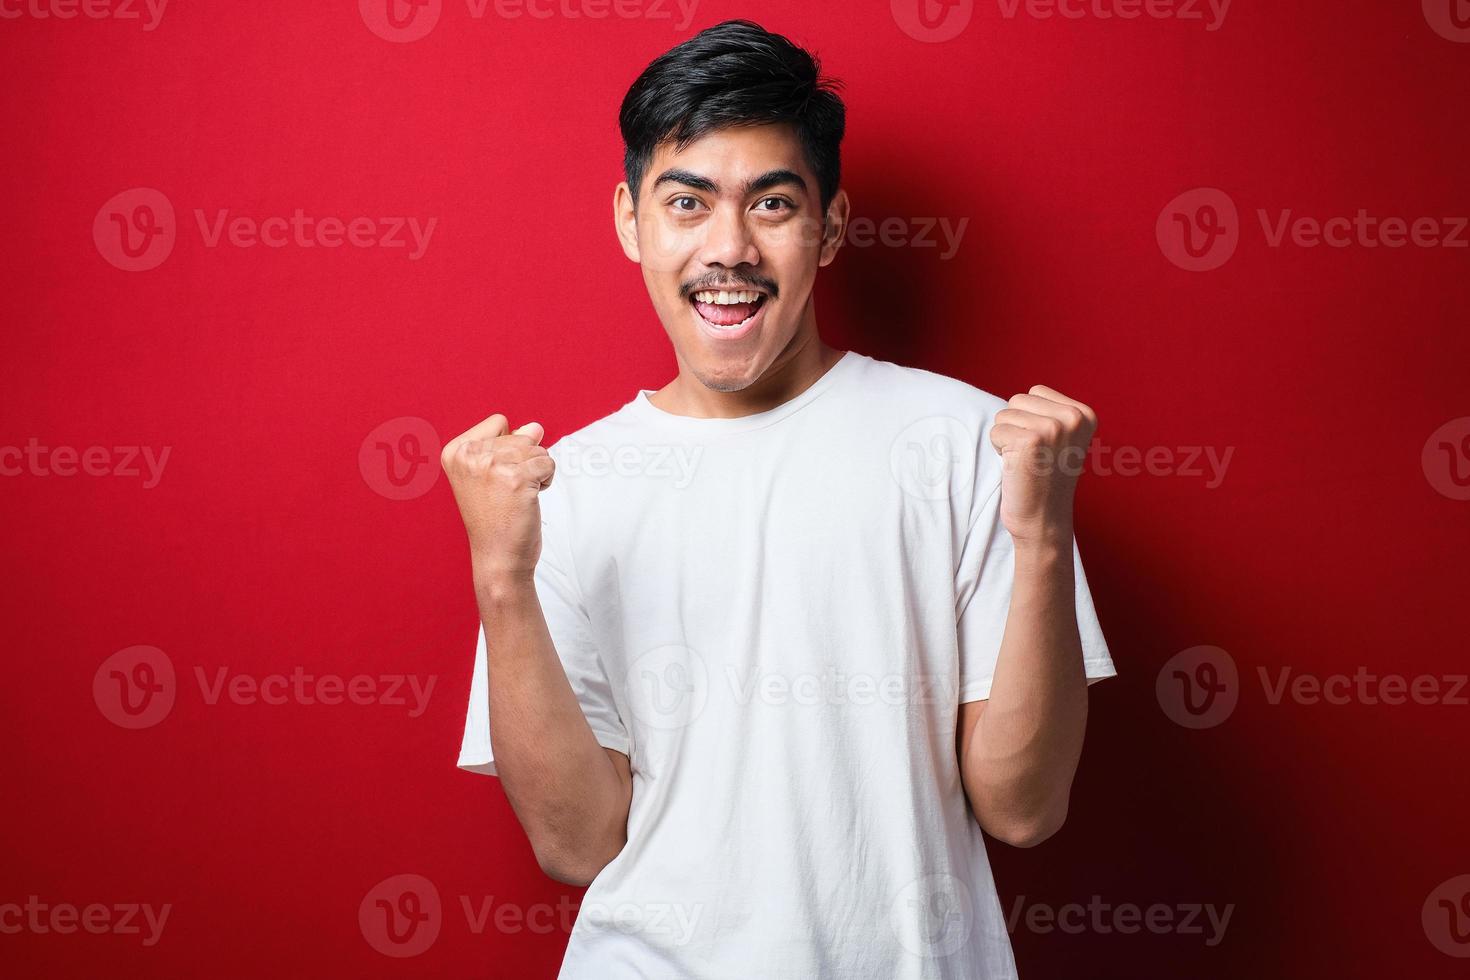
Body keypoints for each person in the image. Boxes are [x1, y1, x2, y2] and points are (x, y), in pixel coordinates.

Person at [443, 19, 1115, 979]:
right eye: (688, 203)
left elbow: (1023, 807)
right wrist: (501, 578)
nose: (729, 248)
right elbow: (577, 843)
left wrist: (1044, 536)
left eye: (770, 204)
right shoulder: (563, 486)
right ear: (631, 220)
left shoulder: (967, 443)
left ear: (830, 227)